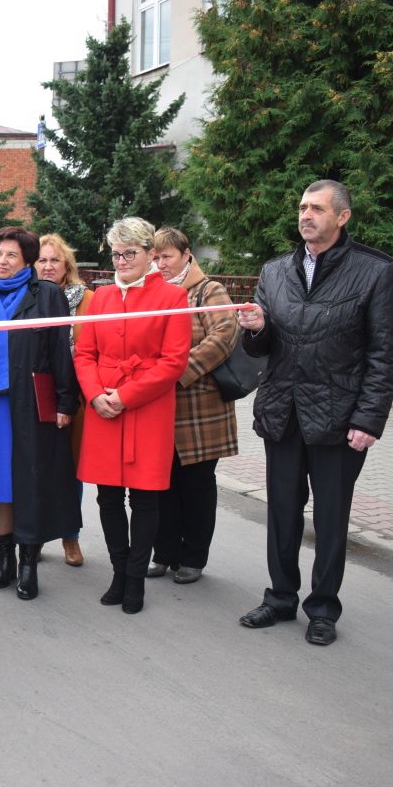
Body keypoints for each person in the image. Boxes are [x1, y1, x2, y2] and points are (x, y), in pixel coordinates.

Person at [237, 179, 393, 646]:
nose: (306, 215)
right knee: (282, 512)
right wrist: (258, 329)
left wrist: (369, 419)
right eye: (303, 207)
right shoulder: (275, 271)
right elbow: (261, 346)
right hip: (283, 410)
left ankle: (323, 607)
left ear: (342, 217)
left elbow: (384, 354)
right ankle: (280, 597)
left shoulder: (375, 272)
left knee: (330, 517)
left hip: (339, 416)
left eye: (317, 209)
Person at [0, 227, 79, 601]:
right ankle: (3, 558)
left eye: (11, 256)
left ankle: (27, 563)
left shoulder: (47, 294)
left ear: (26, 262)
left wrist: (66, 402)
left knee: (29, 482)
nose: (2, 261)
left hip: (30, 404)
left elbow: (59, 351)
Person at [73, 217, 190, 614]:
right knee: (107, 497)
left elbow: (173, 363)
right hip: (103, 405)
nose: (122, 260)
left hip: (147, 406)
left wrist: (125, 396)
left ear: (149, 255)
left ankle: (136, 578)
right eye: (116, 254)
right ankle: (119, 571)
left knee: (144, 499)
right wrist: (94, 396)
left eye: (130, 253)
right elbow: (84, 354)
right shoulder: (100, 298)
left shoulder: (172, 298)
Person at [149, 227, 239, 584]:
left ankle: (193, 557)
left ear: (187, 255)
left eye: (166, 256)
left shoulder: (208, 290)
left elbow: (224, 336)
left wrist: (177, 371)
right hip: (161, 407)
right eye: (155, 257)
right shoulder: (154, 292)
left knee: (197, 487)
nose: (160, 263)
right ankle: (163, 553)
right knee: (161, 485)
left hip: (201, 411)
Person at [34, 233, 92, 567]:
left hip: (77, 397)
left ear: (66, 264)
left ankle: (70, 535)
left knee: (71, 470)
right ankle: (38, 534)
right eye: (42, 260)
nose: (48, 265)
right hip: (37, 393)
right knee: (38, 468)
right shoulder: (28, 298)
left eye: (54, 260)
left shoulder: (88, 300)